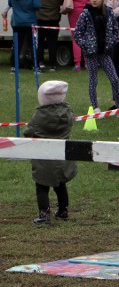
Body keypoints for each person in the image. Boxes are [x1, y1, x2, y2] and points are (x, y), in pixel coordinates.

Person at [26, 81, 77, 225]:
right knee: (60, 185)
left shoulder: (39, 115)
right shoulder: (67, 112)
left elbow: (29, 131)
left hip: (44, 157)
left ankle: (44, 213)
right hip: (62, 156)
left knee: (41, 185)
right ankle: (63, 210)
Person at [73, 0, 119, 113]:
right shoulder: (85, 13)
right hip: (90, 54)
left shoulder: (109, 12)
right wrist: (86, 45)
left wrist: (111, 42)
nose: (94, 0)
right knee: (93, 80)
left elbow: (114, 29)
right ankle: (95, 107)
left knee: (115, 79)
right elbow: (78, 33)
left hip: (104, 52)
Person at [64, 0, 98, 70]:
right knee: (88, 35)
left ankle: (77, 64)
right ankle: (88, 62)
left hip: (74, 10)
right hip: (88, 8)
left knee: (76, 36)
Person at [3, 0, 42, 70]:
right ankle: (35, 65)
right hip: (30, 23)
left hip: (17, 23)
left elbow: (9, 3)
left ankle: (14, 66)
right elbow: (38, 5)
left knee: (17, 44)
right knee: (33, 44)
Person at [35, 0, 64, 71]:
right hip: (53, 23)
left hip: (40, 22)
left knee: (40, 43)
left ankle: (41, 62)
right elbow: (63, 4)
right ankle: (52, 64)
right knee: (52, 44)